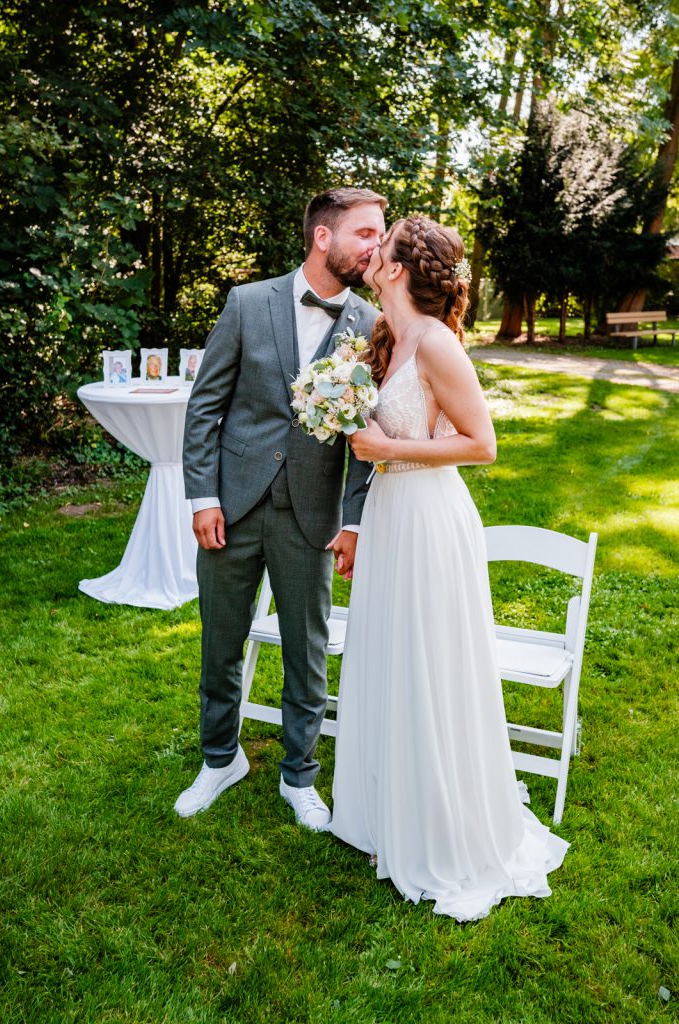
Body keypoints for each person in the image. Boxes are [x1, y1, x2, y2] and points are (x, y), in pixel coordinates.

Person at [330, 215, 568, 921]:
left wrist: (383, 452)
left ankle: (438, 825)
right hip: (392, 513)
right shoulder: (387, 334)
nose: (369, 254)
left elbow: (481, 444)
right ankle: (383, 814)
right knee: (388, 657)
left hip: (431, 518)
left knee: (427, 662)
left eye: (382, 247)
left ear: (399, 268)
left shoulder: (435, 343)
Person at [176, 187, 388, 828]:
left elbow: (367, 437)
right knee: (220, 641)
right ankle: (219, 758)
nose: (376, 246)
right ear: (324, 237)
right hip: (232, 508)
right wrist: (203, 498)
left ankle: (301, 776)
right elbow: (205, 407)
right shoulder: (246, 303)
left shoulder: (371, 324)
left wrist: (352, 520)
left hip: (313, 515)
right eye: (366, 234)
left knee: (308, 649)